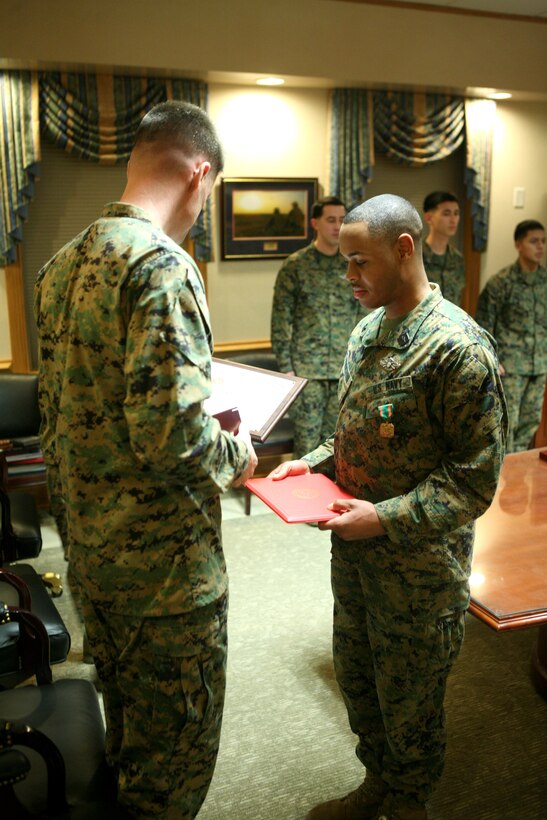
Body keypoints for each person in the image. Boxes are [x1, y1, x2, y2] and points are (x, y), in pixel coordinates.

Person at [34, 100, 257, 819]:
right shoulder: (163, 266)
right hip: (165, 580)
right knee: (171, 771)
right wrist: (240, 453)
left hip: (94, 561)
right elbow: (173, 438)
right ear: (200, 174)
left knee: (126, 745)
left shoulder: (61, 265)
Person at [270, 194, 507, 820]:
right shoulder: (368, 326)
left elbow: (474, 480)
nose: (348, 275)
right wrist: (312, 463)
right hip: (354, 557)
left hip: (418, 572)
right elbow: (353, 431)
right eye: (344, 261)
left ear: (405, 249)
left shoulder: (457, 348)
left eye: (359, 262)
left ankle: (409, 802)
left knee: (411, 701)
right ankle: (377, 782)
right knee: (360, 681)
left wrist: (384, 518)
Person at [271, 196, 364, 456]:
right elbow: (280, 320)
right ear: (315, 223)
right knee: (307, 446)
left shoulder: (352, 264)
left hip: (343, 370)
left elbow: (362, 314)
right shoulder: (295, 266)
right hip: (306, 372)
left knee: (337, 445)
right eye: (331, 220)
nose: (337, 226)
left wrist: (360, 361)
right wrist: (286, 368)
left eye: (343, 220)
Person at [475, 219, 546, 452]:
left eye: (543, 241)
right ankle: (504, 478)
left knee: (530, 425)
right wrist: (493, 359)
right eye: (533, 241)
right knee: (508, 425)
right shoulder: (501, 282)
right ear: (519, 244)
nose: (540, 247)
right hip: (510, 368)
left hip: (539, 366)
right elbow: (483, 324)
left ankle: (520, 480)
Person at [422, 191, 465, 306]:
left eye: (456, 213)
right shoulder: (416, 256)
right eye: (446, 214)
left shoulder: (457, 259)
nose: (453, 220)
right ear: (428, 218)